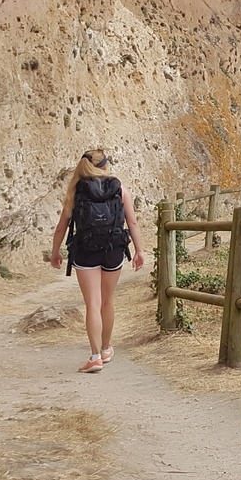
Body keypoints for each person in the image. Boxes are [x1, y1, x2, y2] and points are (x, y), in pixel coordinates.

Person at [48, 149, 145, 373]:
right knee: (107, 301)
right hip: (114, 249)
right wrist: (139, 251)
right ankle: (106, 348)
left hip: (85, 250)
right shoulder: (119, 188)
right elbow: (132, 222)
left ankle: (94, 357)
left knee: (93, 303)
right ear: (105, 166)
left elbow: (61, 227)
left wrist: (55, 252)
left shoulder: (76, 190)